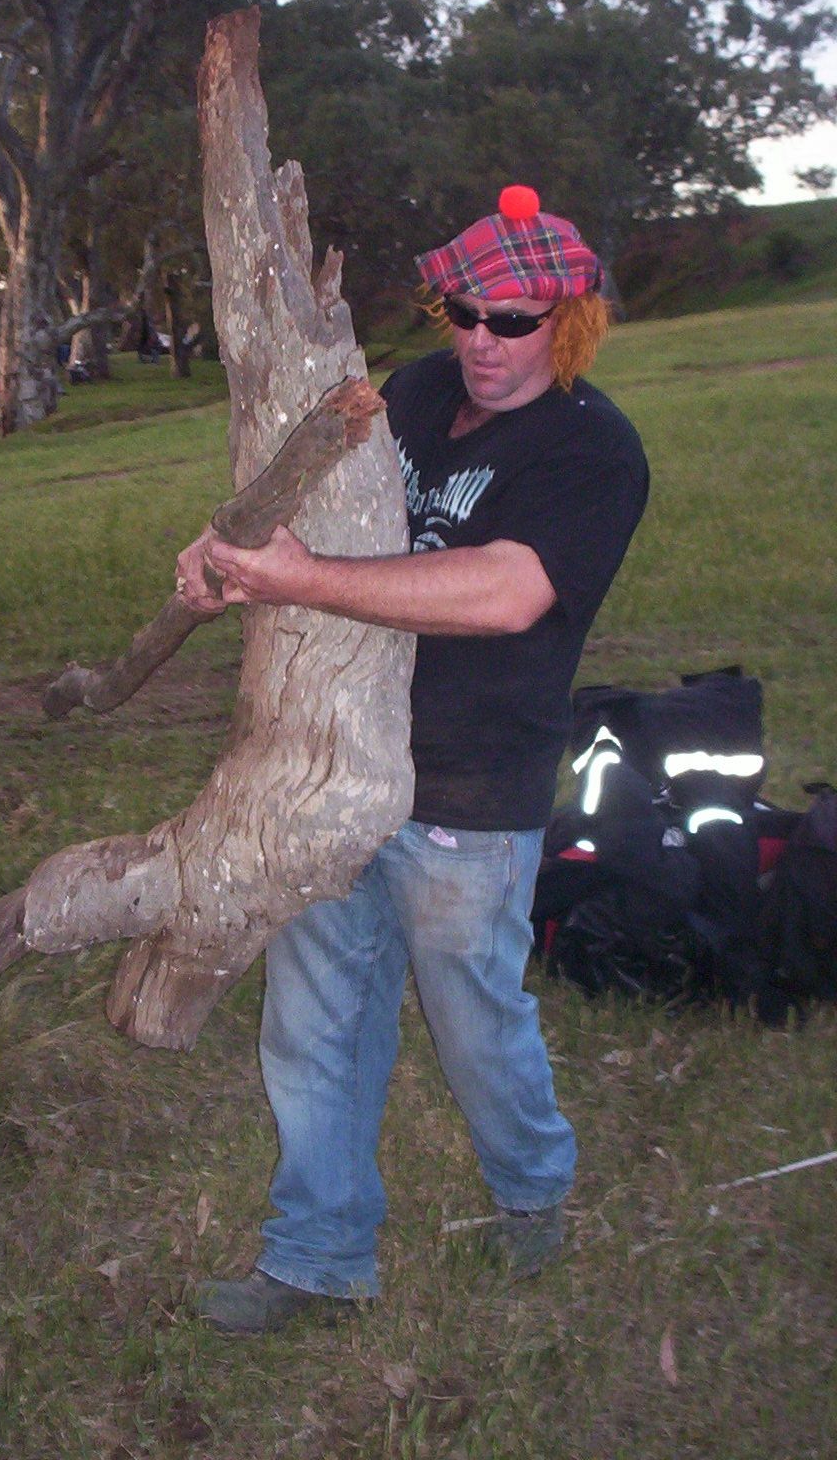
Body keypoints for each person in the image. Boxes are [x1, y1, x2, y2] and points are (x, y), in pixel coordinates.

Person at [175, 185, 649, 1334]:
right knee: (313, 1018)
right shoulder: (421, 389)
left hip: (470, 790)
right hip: (338, 760)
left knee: (471, 1017)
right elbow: (307, 473)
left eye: (512, 321)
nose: (481, 341)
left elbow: (505, 591)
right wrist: (222, 548)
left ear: (570, 322)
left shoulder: (594, 450)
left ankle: (531, 1188)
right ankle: (316, 1259)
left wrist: (304, 581)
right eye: (463, 314)